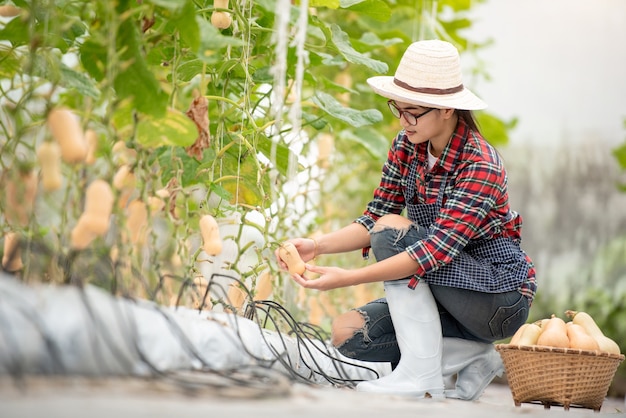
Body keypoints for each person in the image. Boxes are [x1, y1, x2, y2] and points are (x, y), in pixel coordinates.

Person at [275, 39, 536, 400]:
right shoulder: (406, 146)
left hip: (495, 300)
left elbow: (432, 250)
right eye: (398, 109)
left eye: (413, 112)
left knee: (391, 232)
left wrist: (348, 278)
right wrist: (316, 246)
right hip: (441, 286)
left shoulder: (480, 163)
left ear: (446, 109)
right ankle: (474, 357)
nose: (403, 121)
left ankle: (421, 375)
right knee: (347, 336)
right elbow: (372, 218)